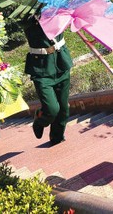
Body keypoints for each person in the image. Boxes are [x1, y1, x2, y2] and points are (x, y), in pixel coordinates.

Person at [22, 15, 72, 146]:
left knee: (63, 109)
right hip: (41, 68)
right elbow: (23, 21)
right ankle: (40, 120)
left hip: (61, 62)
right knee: (52, 109)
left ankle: (57, 138)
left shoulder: (58, 8)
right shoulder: (25, 15)